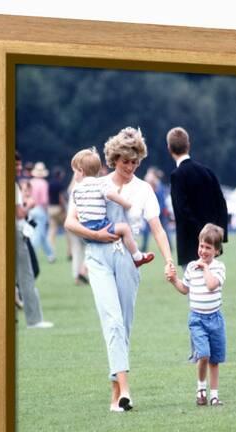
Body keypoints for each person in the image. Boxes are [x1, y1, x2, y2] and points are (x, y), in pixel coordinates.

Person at [65, 127, 174, 412]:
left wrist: (168, 260)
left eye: (135, 161)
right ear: (113, 158)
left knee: (123, 326)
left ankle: (116, 394)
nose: (130, 166)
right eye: (125, 161)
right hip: (98, 258)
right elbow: (70, 222)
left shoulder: (144, 190)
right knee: (112, 321)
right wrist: (100, 236)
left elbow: (158, 229)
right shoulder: (95, 184)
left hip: (127, 259)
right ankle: (125, 391)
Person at [166, 223, 226, 406]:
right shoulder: (191, 267)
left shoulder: (218, 268)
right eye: (201, 246)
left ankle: (214, 395)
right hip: (197, 319)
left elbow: (211, 285)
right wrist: (174, 280)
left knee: (214, 360)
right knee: (204, 355)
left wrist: (205, 268)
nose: (203, 251)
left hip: (215, 319)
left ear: (216, 251)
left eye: (208, 248)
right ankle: (201, 388)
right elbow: (185, 289)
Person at [71, 146, 155, 267]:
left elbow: (77, 206)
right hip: (99, 225)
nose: (74, 175)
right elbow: (111, 195)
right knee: (125, 228)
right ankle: (137, 256)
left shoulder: (76, 189)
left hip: (85, 229)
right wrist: (126, 204)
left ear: (81, 171)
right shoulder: (100, 184)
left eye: (74, 172)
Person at [166, 127, 228, 268]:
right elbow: (221, 204)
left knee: (195, 289)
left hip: (191, 245)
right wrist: (218, 237)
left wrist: (202, 236)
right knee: (212, 287)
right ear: (188, 145)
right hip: (212, 245)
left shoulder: (177, 175)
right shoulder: (207, 172)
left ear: (169, 148)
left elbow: (183, 210)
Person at [15, 152, 54, 329]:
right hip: (20, 228)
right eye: (17, 165)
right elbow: (20, 212)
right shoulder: (16, 185)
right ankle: (34, 319)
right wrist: (29, 205)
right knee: (27, 275)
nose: (20, 168)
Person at [29, 161, 55, 263]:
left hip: (31, 209)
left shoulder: (30, 182)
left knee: (41, 234)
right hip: (40, 209)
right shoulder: (43, 183)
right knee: (38, 235)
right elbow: (44, 200)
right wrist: (46, 212)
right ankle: (31, 254)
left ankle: (50, 255)